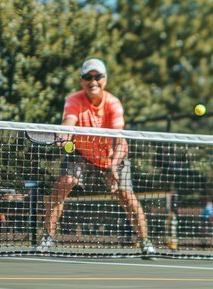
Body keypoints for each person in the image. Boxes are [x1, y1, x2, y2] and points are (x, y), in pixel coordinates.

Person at [39, 58, 156, 256]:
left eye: (98, 76)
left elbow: (119, 140)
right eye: (88, 77)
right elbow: (68, 122)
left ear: (105, 79)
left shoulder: (113, 104)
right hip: (82, 153)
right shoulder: (74, 100)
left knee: (126, 196)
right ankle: (47, 238)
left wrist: (112, 166)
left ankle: (145, 242)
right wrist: (63, 135)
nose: (93, 81)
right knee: (63, 183)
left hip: (113, 155)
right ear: (81, 81)